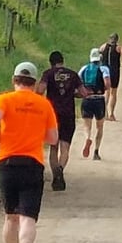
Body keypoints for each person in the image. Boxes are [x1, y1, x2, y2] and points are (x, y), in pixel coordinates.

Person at [0, 61, 59, 243]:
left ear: (14, 79)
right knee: (28, 217)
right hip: (32, 164)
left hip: (7, 163)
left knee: (11, 217)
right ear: (35, 83)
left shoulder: (4, 100)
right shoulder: (44, 104)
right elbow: (53, 138)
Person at [36, 50, 86, 190]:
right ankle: (60, 171)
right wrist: (72, 94)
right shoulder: (72, 74)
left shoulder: (48, 73)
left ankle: (55, 175)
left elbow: (40, 90)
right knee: (65, 147)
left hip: (52, 114)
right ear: (62, 61)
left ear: (51, 62)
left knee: (54, 146)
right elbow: (83, 93)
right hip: (68, 114)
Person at [77, 47, 111, 159]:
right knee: (100, 127)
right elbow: (107, 84)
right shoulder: (103, 69)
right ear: (99, 58)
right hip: (99, 99)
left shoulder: (84, 68)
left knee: (87, 126)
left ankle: (87, 138)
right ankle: (96, 151)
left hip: (87, 99)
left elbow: (78, 82)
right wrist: (103, 90)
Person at [100, 32, 122, 120]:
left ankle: (104, 113)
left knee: (106, 92)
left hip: (104, 71)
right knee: (113, 92)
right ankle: (111, 113)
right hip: (114, 71)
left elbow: (99, 52)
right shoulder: (118, 47)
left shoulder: (104, 46)